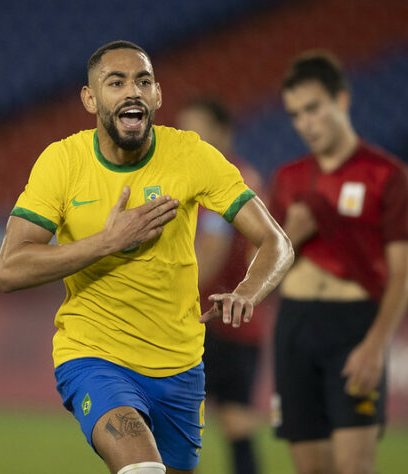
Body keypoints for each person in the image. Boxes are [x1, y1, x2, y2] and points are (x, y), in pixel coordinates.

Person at [0, 40, 293, 474]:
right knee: (142, 468)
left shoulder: (192, 156)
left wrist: (249, 289)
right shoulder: (62, 163)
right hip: (94, 356)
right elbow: (9, 268)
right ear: (90, 98)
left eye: (143, 81)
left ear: (156, 96)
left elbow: (276, 242)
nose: (132, 91)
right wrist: (106, 241)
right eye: (116, 82)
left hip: (180, 367)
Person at [269, 51, 408, 474]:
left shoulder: (386, 175)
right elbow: (256, 264)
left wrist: (375, 345)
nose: (305, 123)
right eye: (295, 114)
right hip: (295, 326)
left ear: (342, 100)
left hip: (353, 328)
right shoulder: (288, 178)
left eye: (313, 108)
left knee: (353, 469)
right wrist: (291, 237)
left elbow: (404, 274)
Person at [177, 98, 271, 474]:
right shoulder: (232, 177)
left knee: (185, 422)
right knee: (230, 421)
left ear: (221, 132)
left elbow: (213, 251)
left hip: (213, 319)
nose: (187, 138)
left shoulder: (228, 181)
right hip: (234, 321)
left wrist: (168, 295)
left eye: (195, 130)